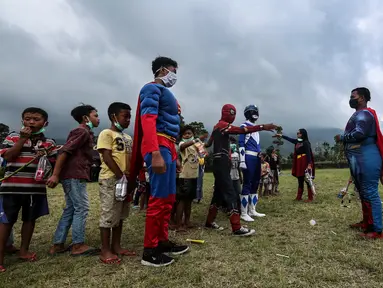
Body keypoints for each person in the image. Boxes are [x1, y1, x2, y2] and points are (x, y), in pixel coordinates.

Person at [128, 56, 189, 267]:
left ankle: (162, 241)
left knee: (169, 198)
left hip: (169, 146)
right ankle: (150, 250)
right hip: (159, 144)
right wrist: (155, 152)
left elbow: (172, 126)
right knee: (159, 198)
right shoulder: (151, 89)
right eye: (173, 71)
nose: (174, 76)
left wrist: (175, 156)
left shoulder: (166, 93)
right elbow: (148, 119)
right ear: (162, 70)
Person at [204, 104, 279, 236]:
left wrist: (200, 141)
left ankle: (209, 222)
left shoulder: (217, 126)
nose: (233, 117)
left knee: (218, 194)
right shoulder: (224, 126)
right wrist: (263, 127)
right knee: (231, 193)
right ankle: (236, 227)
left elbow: (208, 144)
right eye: (232, 114)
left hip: (218, 162)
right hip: (222, 162)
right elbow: (242, 131)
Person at [0, 107, 57, 272]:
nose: (31, 122)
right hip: (11, 188)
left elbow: (52, 164)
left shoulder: (49, 143)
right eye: (27, 119)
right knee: (5, 222)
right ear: (22, 121)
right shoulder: (12, 137)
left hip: (35, 189)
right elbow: (8, 156)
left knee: (30, 220)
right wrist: (21, 140)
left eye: (36, 119)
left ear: (45, 123)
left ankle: (23, 250)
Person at [47, 104, 100, 256]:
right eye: (95, 115)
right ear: (85, 118)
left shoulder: (86, 132)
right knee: (82, 208)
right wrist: (55, 174)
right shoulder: (81, 131)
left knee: (71, 208)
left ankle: (58, 243)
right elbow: (65, 151)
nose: (98, 118)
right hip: (74, 175)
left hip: (74, 175)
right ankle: (78, 244)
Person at [335, 87, 383, 239]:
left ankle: (378, 229)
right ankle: (367, 222)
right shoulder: (359, 114)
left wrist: (342, 138)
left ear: (361, 98)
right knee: (363, 192)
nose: (351, 98)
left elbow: (360, 134)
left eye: (353, 96)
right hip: (360, 159)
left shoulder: (364, 114)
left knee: (370, 191)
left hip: (367, 158)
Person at [97, 102, 135, 264]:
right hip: (111, 178)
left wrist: (130, 177)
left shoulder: (128, 137)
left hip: (125, 179)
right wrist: (120, 175)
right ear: (114, 117)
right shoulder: (106, 133)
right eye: (125, 116)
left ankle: (117, 246)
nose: (128, 120)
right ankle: (105, 250)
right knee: (108, 213)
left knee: (120, 214)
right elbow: (107, 156)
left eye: (129, 117)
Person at [176, 126, 206, 232]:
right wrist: (195, 141)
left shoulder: (196, 145)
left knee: (189, 200)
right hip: (185, 176)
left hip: (194, 175)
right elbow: (183, 146)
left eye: (190, 133)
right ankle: (179, 223)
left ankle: (187, 221)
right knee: (182, 200)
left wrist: (201, 147)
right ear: (182, 136)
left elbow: (203, 154)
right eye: (185, 134)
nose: (188, 135)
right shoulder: (182, 144)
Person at [238, 105, 266, 222]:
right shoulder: (244, 126)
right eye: (253, 112)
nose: (255, 114)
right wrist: (242, 160)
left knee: (255, 183)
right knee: (247, 183)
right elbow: (241, 144)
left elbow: (256, 143)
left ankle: (252, 209)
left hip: (256, 157)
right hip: (248, 156)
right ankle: (244, 212)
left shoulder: (255, 128)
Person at [276, 129, 315, 202]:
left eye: (298, 133)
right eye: (297, 133)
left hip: (304, 161)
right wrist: (281, 136)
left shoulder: (306, 143)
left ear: (302, 134)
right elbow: (289, 139)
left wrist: (309, 164)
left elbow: (308, 153)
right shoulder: (297, 141)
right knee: (300, 179)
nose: (297, 134)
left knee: (307, 179)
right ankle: (299, 197)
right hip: (299, 162)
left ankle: (310, 197)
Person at [229, 137, 242, 209]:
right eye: (231, 143)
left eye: (233, 143)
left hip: (236, 177)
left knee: (238, 192)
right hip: (229, 177)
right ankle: (230, 208)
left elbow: (238, 166)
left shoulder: (237, 154)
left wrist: (240, 176)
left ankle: (238, 208)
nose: (232, 144)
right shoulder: (226, 154)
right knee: (230, 193)